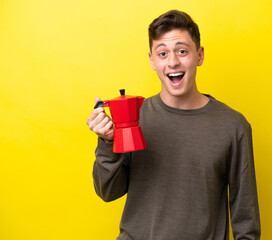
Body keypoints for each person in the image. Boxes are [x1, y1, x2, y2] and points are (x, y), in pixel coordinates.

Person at [86, 10, 260, 240]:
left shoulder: (233, 126)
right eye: (162, 53)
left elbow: (245, 219)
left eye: (182, 51)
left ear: (199, 55)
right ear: (152, 60)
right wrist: (107, 143)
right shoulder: (135, 117)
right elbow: (108, 192)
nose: (173, 62)